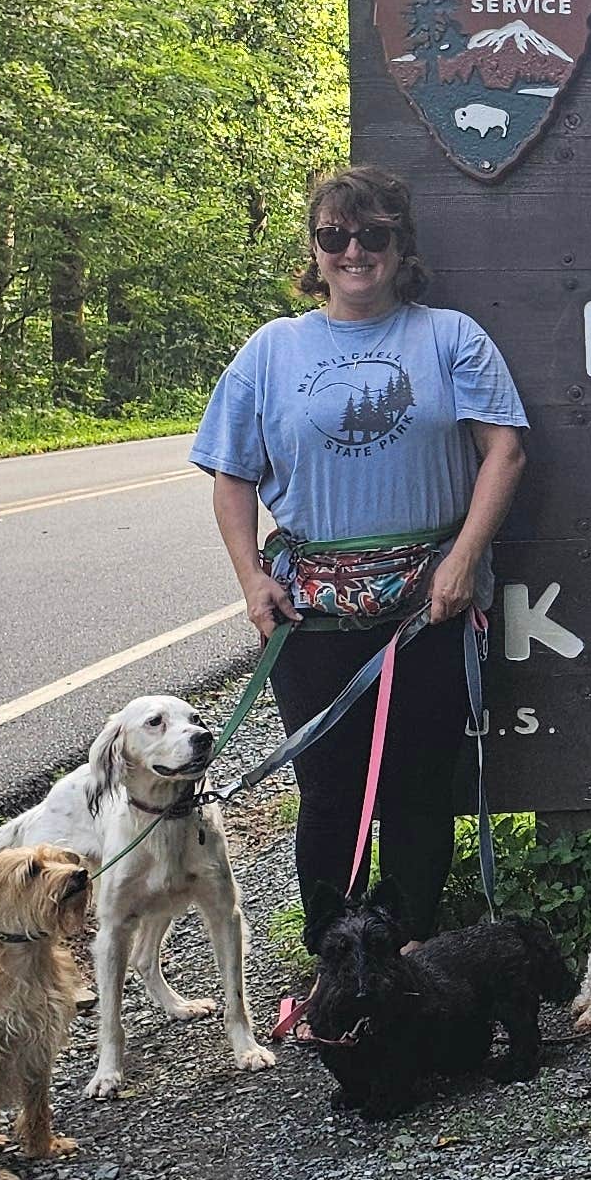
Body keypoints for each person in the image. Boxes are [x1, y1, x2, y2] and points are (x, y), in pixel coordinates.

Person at [190, 163, 527, 953]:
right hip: (310, 611)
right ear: (315, 247)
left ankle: (408, 950)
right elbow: (231, 477)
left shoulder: (450, 338)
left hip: (430, 604)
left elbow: (504, 452)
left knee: (417, 789)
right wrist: (250, 581)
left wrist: (463, 562)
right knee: (332, 792)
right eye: (334, 235)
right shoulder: (271, 351)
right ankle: (336, 958)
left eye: (372, 235)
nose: (353, 252)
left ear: (399, 244)